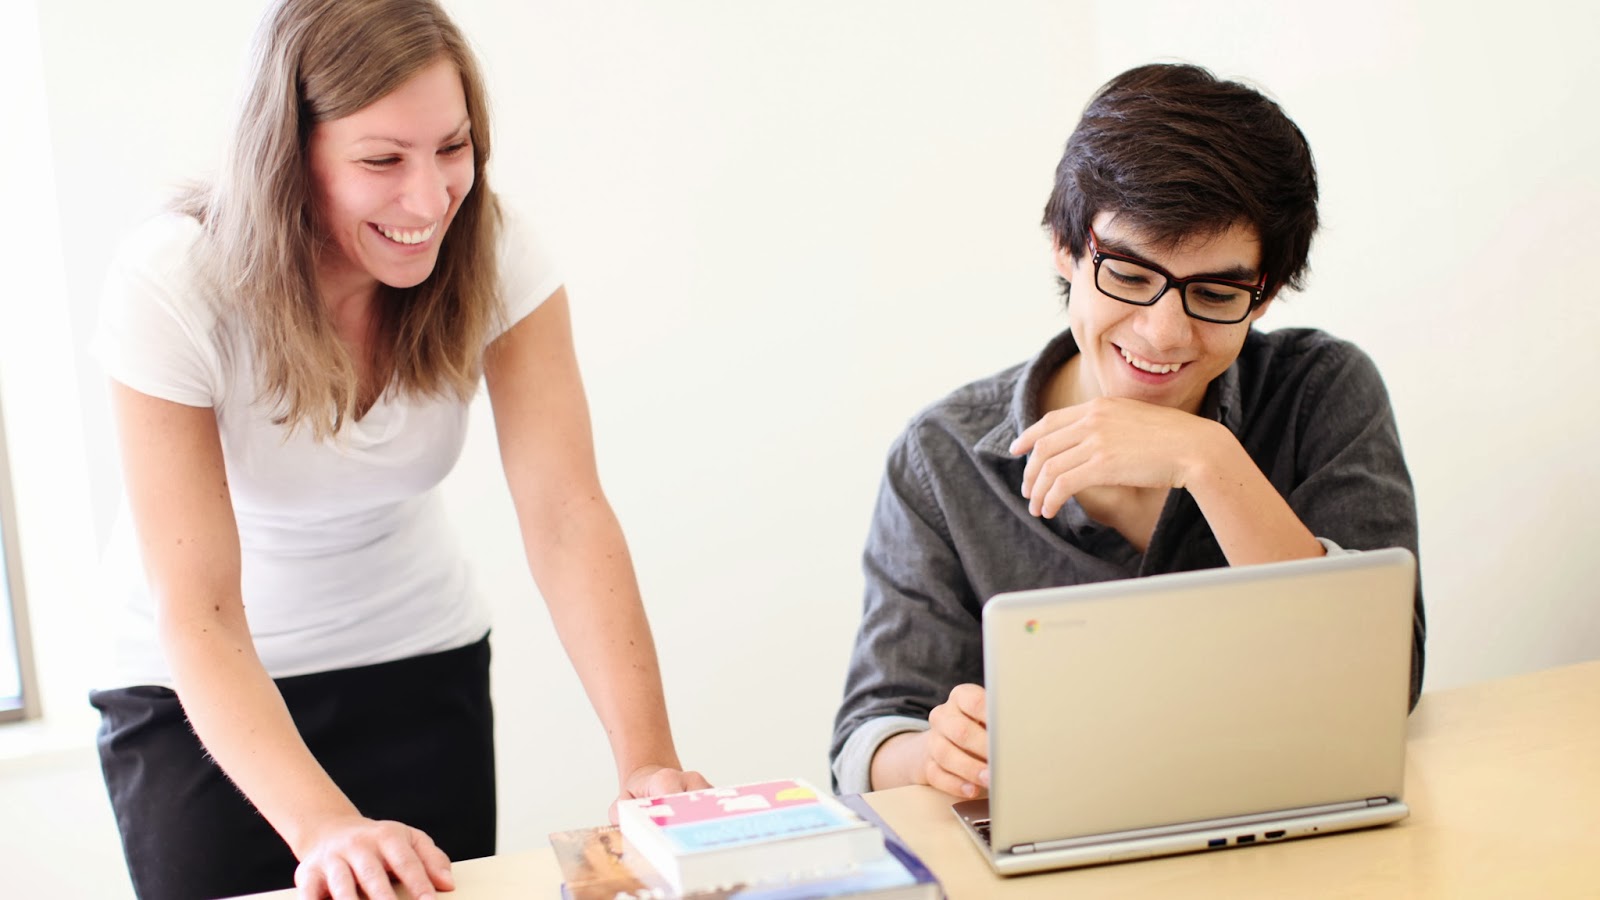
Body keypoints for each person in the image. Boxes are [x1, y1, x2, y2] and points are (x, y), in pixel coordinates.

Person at [88, 1, 706, 898]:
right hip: (196, 702)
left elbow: (567, 515)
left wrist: (648, 765)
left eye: (452, 148)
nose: (429, 199)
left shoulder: (492, 249)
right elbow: (201, 608)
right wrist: (325, 827)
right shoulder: (176, 281)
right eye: (382, 160)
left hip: (417, 666)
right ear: (287, 154)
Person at [829, 62, 1426, 800]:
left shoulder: (1320, 392)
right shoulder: (940, 457)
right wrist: (931, 755)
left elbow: (1383, 682)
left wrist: (1209, 459)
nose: (1163, 332)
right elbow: (867, 740)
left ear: (1265, 294)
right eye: (1130, 276)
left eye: (1216, 293)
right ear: (1065, 247)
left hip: (1287, 815)